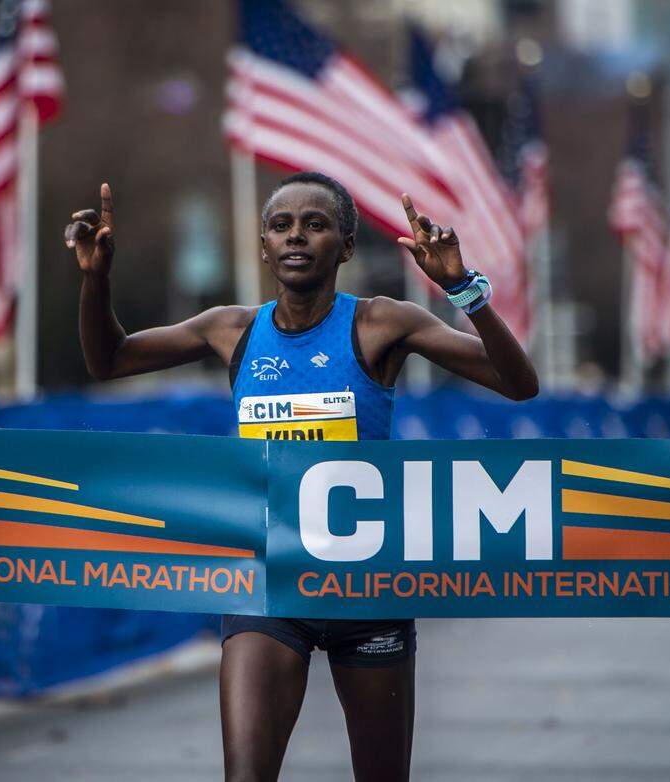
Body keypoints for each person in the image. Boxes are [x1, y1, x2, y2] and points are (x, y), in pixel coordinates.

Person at [65, 171, 538, 781]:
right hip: (270, 587)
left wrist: (463, 290)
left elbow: (518, 384)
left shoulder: (382, 323)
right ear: (263, 244)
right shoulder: (231, 329)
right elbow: (109, 360)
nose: (296, 237)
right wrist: (96, 280)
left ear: (344, 246)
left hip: (368, 589)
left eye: (315, 225)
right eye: (281, 225)